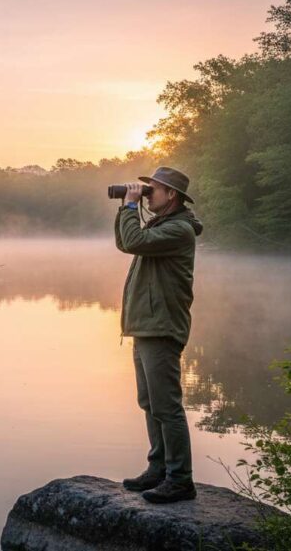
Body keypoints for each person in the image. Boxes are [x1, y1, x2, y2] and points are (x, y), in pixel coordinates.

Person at [114, 166, 204, 504]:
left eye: (154, 189)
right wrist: (126, 208)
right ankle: (159, 469)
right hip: (146, 326)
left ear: (172, 196)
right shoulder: (161, 225)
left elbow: (133, 240)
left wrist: (128, 207)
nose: (148, 193)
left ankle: (180, 479)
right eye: (146, 189)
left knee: (167, 406)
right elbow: (127, 241)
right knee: (150, 403)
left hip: (162, 326)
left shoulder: (179, 230)